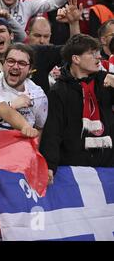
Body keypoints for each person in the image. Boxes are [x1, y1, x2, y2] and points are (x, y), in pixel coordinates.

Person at [40, 34, 114, 185]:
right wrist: (49, 165)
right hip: (74, 169)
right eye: (92, 53)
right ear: (76, 59)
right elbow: (53, 131)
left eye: (98, 53)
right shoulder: (58, 91)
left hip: (109, 165)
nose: (99, 57)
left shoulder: (107, 81)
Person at [0, 43, 48, 139]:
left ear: (30, 69)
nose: (15, 66)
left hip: (18, 149)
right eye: (11, 61)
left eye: (22, 63)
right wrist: (11, 105)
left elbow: (39, 129)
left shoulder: (38, 95)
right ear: (3, 63)